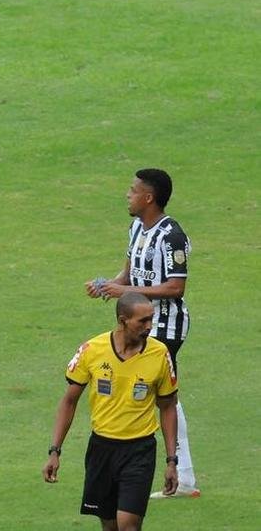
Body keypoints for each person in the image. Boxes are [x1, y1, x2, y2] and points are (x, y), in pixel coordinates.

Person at [86, 169, 200, 498]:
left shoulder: (171, 236)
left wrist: (127, 289)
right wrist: (109, 286)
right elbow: (129, 270)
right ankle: (182, 474)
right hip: (139, 318)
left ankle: (177, 472)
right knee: (166, 396)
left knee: (162, 395)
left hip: (164, 325)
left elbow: (176, 287)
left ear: (148, 198)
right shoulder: (137, 227)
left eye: (133, 190)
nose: (128, 194)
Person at [43, 292, 179, 531]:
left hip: (140, 450)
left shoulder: (159, 354)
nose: (150, 326)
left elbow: (168, 407)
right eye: (142, 321)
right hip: (101, 449)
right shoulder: (92, 350)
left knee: (129, 526)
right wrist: (55, 451)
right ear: (123, 320)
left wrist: (171, 461)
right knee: (110, 526)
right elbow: (69, 401)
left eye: (151, 319)